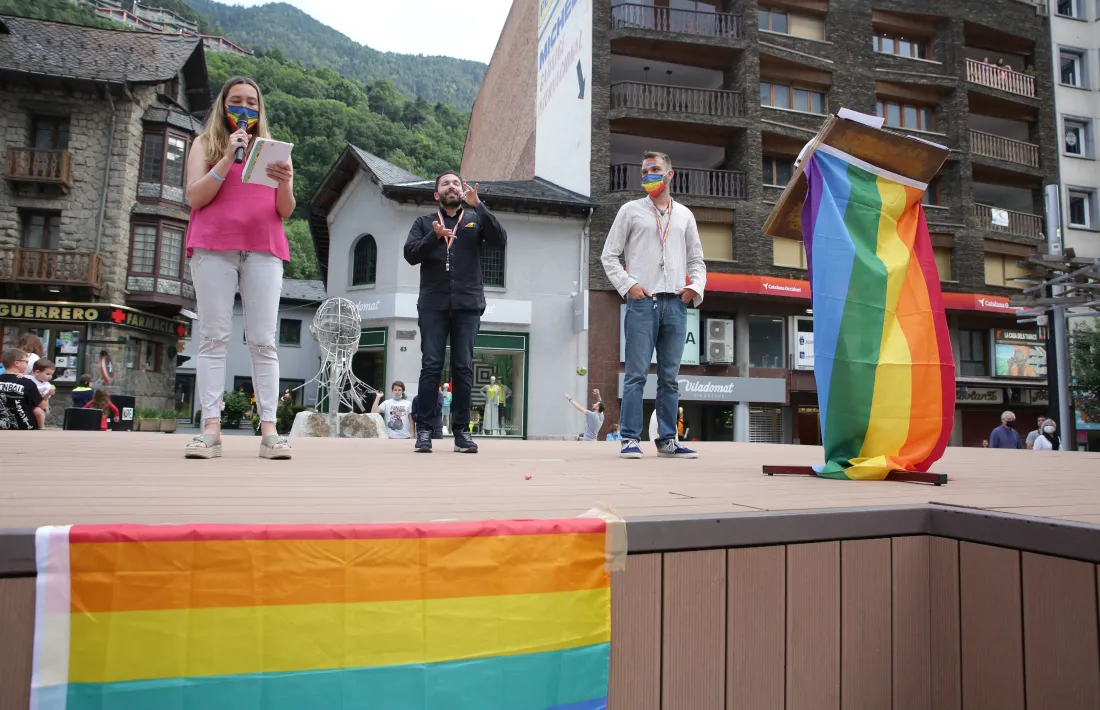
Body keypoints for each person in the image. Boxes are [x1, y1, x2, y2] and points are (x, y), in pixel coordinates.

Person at [183, 75, 294, 461]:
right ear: (223, 104)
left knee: (263, 340)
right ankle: (210, 429)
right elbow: (195, 196)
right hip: (213, 247)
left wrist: (286, 183)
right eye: (236, 101)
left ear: (260, 109)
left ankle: (270, 431)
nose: (245, 108)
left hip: (264, 248)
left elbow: (286, 209)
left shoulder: (275, 150)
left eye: (252, 102)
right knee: (213, 338)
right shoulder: (206, 144)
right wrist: (228, 158)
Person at [601, 150, 705, 460]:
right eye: (644, 171)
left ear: (669, 174)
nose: (648, 175)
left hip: (675, 303)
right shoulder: (630, 210)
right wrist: (628, 285)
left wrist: (693, 289)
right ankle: (630, 439)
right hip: (642, 303)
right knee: (635, 374)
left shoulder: (685, 215)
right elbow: (609, 255)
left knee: (670, 377)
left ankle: (667, 440)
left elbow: (697, 259)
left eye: (655, 169)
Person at [404, 171, 507, 453]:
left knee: (463, 367)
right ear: (437, 195)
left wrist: (479, 205)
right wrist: (433, 238)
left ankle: (462, 432)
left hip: (468, 305)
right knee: (431, 366)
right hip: (433, 306)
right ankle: (425, 430)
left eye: (456, 183)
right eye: (445, 184)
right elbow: (410, 254)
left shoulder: (474, 218)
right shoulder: (424, 222)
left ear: (462, 191)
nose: (452, 187)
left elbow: (499, 239)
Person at [0, 348, 45, 430]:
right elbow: (43, 405)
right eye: (26, 362)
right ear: (16, 363)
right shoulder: (27, 383)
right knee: (38, 409)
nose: (27, 365)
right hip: (25, 428)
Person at [30, 359, 56, 423]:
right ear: (37, 372)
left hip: (39, 404)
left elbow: (44, 399)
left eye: (51, 374)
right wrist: (20, 375)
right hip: (28, 402)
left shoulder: (47, 386)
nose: (50, 377)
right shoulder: (28, 378)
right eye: (47, 374)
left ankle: (41, 427)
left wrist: (48, 393)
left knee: (40, 413)